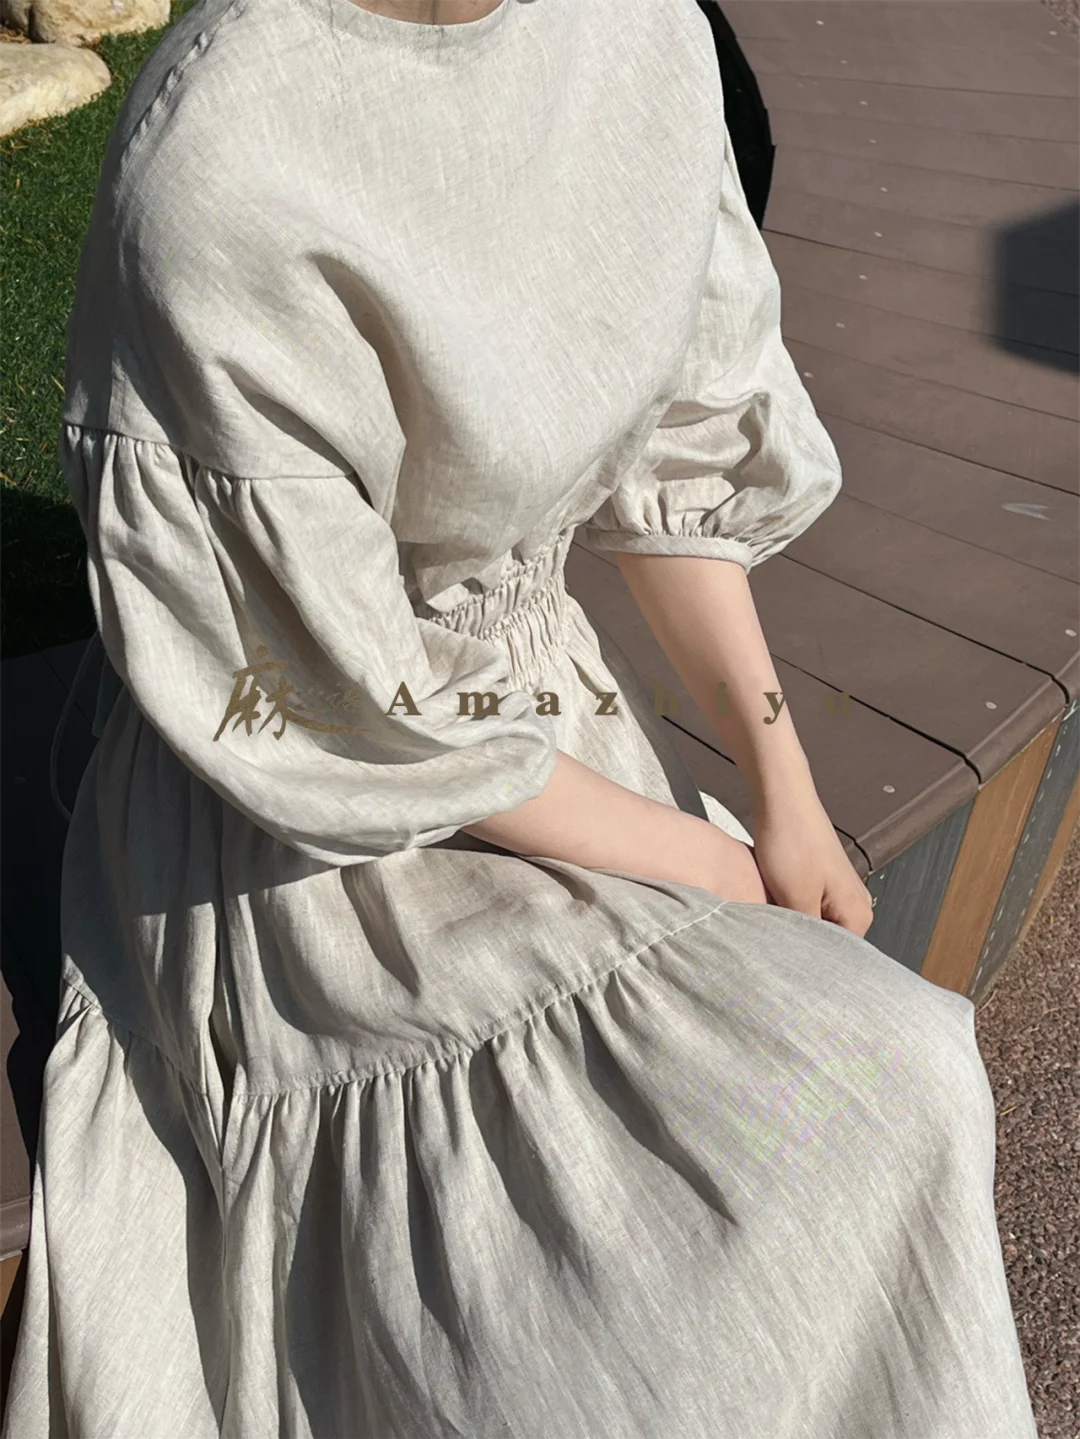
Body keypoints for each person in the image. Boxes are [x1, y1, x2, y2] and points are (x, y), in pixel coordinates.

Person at [2, 0, 1037, 1435]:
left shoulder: (644, 36)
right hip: (312, 828)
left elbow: (676, 465)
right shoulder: (224, 154)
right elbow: (343, 712)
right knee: (596, 1346)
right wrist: (704, 858)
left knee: (904, 1087)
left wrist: (781, 786)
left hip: (546, 719)